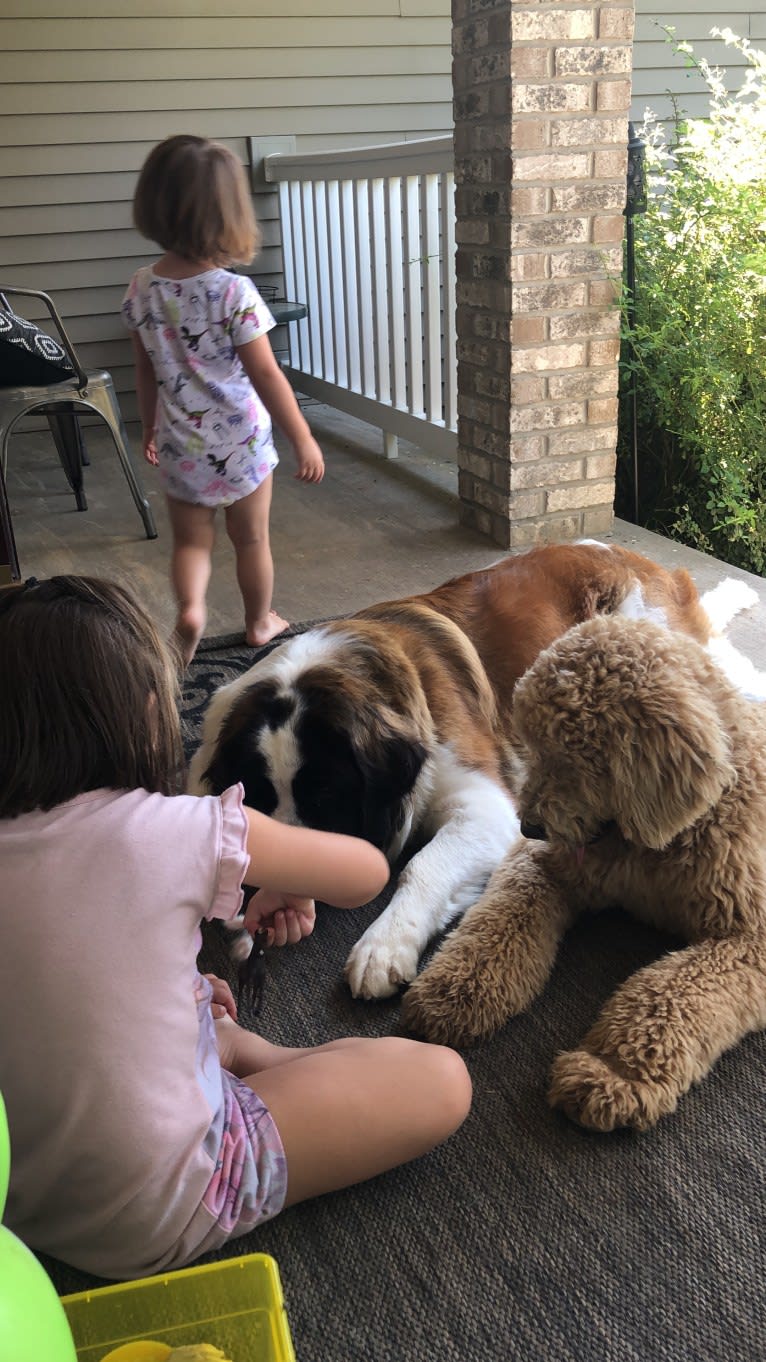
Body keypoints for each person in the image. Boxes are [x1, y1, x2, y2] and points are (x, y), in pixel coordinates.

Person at [0, 576, 471, 1282]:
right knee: (441, 1079)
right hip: (160, 1206)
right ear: (148, 715)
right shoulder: (179, 831)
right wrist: (287, 869)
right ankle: (246, 1059)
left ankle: (208, 1044)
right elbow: (365, 872)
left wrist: (176, 986)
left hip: (20, 1204)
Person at [122, 134, 325, 664]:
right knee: (251, 539)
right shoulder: (233, 293)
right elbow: (267, 375)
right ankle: (259, 621)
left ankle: (190, 610)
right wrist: (303, 437)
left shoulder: (141, 288)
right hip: (242, 441)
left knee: (191, 544)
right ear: (230, 212)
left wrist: (148, 428)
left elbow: (144, 368)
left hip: (179, 440)